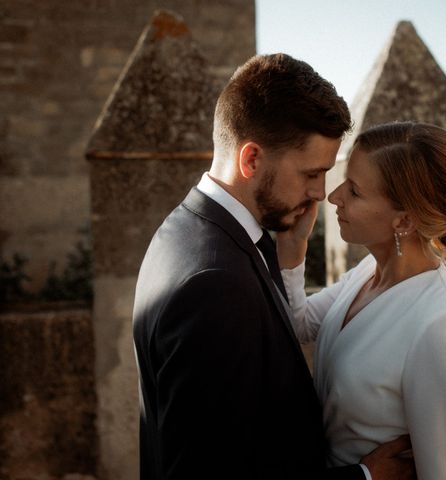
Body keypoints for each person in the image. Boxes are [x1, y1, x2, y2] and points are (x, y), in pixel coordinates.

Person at [132, 54, 415, 480]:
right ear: (251, 160)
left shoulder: (191, 229)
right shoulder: (214, 286)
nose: (321, 193)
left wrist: (291, 250)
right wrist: (365, 477)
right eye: (311, 173)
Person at [277, 121, 446, 480]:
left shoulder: (442, 327)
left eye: (355, 191)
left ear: (403, 220)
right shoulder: (366, 272)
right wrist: (293, 249)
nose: (333, 196)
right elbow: (301, 323)